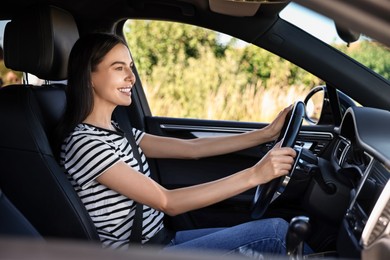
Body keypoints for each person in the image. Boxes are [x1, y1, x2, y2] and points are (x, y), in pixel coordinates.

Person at [58, 33, 310, 257]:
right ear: (89, 77)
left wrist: (266, 134)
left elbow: (193, 149)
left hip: (161, 241)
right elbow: (168, 202)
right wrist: (256, 174)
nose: (131, 77)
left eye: (131, 67)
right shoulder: (85, 144)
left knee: (275, 233)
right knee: (276, 234)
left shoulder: (119, 131)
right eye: (118, 68)